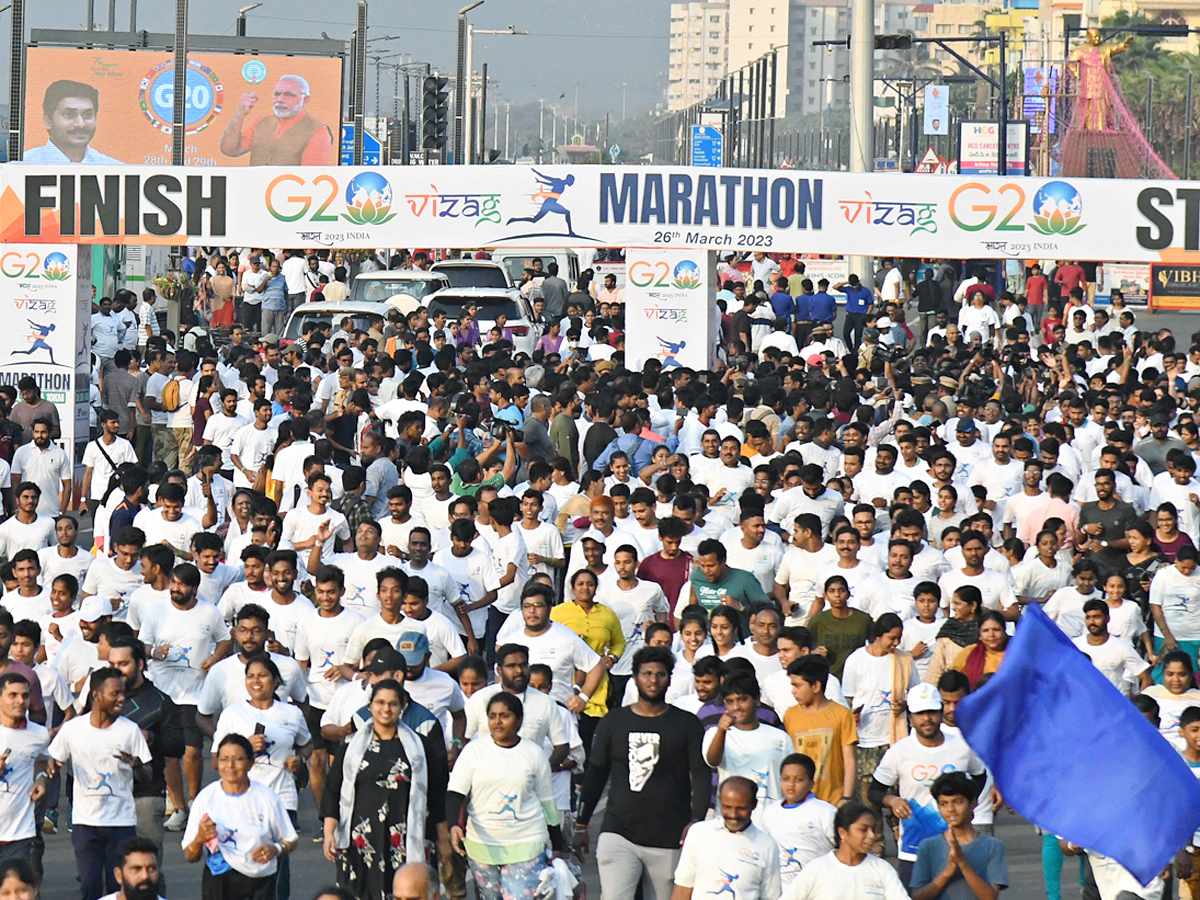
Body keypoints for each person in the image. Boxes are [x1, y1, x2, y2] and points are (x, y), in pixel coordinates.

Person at [575, 645, 709, 900]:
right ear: (635, 678)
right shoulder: (613, 722)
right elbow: (596, 773)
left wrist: (696, 821)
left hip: (669, 837)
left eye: (660, 674)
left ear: (670, 679)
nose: (653, 680)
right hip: (619, 833)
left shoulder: (687, 724)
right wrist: (582, 824)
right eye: (646, 674)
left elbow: (701, 776)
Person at [447, 692, 567, 900]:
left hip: (526, 845)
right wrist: (453, 825)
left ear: (519, 720)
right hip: (482, 848)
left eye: (505, 716)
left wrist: (557, 844)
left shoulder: (534, 753)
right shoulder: (473, 751)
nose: (498, 722)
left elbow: (547, 802)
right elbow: (455, 794)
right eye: (492, 716)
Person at [48, 667, 152, 900]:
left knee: (120, 888)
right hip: (86, 824)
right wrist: (47, 774)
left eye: (123, 693)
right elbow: (53, 759)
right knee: (90, 886)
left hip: (122, 822)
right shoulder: (73, 729)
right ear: (96, 695)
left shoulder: (130, 730)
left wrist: (135, 765)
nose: (122, 699)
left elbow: (147, 774)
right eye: (115, 693)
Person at [321, 678, 429, 900]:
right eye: (379, 702)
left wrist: (442, 838)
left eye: (393, 703)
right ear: (370, 705)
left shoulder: (419, 747)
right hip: (359, 841)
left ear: (402, 707)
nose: (386, 709)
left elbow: (435, 794)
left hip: (404, 839)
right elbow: (333, 790)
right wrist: (329, 832)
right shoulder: (351, 748)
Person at [869, 683, 986, 884]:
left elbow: (979, 775)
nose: (927, 719)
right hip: (913, 850)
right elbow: (874, 791)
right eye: (920, 713)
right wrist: (892, 800)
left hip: (958, 847)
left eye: (932, 712)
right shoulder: (899, 751)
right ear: (910, 717)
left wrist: (968, 802)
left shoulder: (962, 746)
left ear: (941, 713)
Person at [182, 733, 298, 900]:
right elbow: (190, 855)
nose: (230, 766)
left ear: (251, 763)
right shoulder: (206, 798)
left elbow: (291, 839)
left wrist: (276, 849)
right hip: (219, 881)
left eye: (238, 759)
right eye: (223, 759)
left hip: (260, 883)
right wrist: (200, 838)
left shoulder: (267, 798)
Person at [106, 637, 184, 857]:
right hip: (106, 794)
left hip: (146, 795)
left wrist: (148, 737)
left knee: (147, 869)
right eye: (112, 665)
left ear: (140, 664)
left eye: (123, 664)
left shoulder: (160, 702)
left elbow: (177, 747)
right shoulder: (99, 699)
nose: (116, 670)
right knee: (109, 871)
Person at [670, 775, 781, 900]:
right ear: (719, 801)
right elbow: (683, 887)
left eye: (741, 808)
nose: (733, 815)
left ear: (754, 805)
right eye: (727, 807)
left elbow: (771, 897)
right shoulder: (698, 833)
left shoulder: (767, 846)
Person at [910, 771, 1008, 900]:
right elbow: (917, 897)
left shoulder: (992, 846)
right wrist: (947, 872)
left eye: (958, 802)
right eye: (943, 804)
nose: (950, 809)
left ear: (973, 804)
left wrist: (962, 862)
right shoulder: (928, 846)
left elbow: (990, 897)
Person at [783, 801, 908, 899]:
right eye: (863, 829)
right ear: (843, 833)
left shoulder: (882, 869)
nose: (872, 836)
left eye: (873, 830)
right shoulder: (817, 869)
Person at [782, 656, 857, 807]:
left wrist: (846, 797)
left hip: (833, 801)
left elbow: (849, 760)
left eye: (798, 686)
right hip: (799, 801)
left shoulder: (841, 714)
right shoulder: (790, 715)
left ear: (816, 686)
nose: (793, 691)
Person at [220, 76, 335, 166]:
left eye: (289, 95)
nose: (280, 100)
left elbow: (311, 176)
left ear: (305, 100)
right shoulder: (263, 123)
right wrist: (240, 115)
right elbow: (230, 149)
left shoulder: (318, 130)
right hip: (255, 192)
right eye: (277, 94)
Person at [760, 754, 836, 889]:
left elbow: (842, 849)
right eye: (786, 779)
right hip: (782, 890)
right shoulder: (770, 812)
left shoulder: (825, 812)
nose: (791, 784)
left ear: (811, 783)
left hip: (818, 888)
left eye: (799, 780)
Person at [0, 672, 50, 878]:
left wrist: (42, 778)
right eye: (13, 695)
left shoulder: (39, 735)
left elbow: (44, 760)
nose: (20, 701)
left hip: (19, 833)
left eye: (25, 696)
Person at [26, 80, 121, 164]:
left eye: (87, 115)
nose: (80, 124)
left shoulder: (115, 170)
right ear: (48, 121)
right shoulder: (21, 166)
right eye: (69, 114)